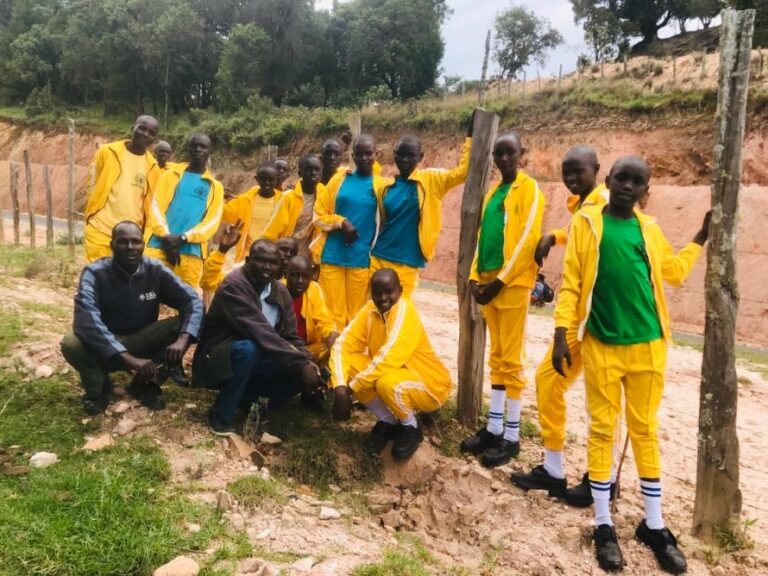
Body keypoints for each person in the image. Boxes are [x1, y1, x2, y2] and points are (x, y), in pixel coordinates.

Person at [552, 156, 709, 574]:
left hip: (649, 346)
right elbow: (571, 284)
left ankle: (653, 525)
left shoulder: (649, 229)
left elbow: (672, 272)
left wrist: (700, 237)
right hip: (602, 344)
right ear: (608, 180)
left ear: (646, 191)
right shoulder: (586, 224)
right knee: (603, 429)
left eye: (637, 182)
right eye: (621, 178)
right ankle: (603, 523)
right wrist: (560, 334)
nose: (627, 186)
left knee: (644, 431)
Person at [513, 146, 613, 504]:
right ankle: (554, 469)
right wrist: (554, 236)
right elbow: (579, 235)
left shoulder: (604, 204)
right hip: (579, 317)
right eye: (566, 172)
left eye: (578, 171)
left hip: (601, 318)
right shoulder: (584, 206)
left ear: (596, 169)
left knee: (603, 401)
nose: (571, 178)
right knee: (548, 380)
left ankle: (603, 478)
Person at [459, 132, 545, 468]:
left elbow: (527, 241)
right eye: (499, 154)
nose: (504, 159)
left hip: (512, 285)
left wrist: (501, 281)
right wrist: (475, 277)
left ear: (522, 154)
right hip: (488, 280)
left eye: (510, 153)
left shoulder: (530, 190)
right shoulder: (494, 192)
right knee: (496, 356)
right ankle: (494, 428)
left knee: (512, 359)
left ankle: (511, 435)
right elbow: (483, 236)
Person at [61, 221, 203, 414]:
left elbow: (193, 301)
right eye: (122, 242)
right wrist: (127, 358)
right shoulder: (95, 273)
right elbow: (86, 320)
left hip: (141, 340)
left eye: (136, 241)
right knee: (71, 343)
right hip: (105, 344)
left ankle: (145, 384)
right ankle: (99, 388)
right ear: (112, 245)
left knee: (186, 325)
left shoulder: (155, 270)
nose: (130, 247)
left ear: (143, 245)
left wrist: (183, 339)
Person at [192, 239, 325, 436]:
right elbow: (261, 332)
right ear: (248, 260)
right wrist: (300, 362)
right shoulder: (235, 285)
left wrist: (308, 362)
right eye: (261, 261)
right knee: (250, 349)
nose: (267, 267)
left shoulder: (281, 291)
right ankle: (220, 414)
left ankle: (248, 399)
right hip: (217, 358)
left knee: (304, 366)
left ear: (281, 266)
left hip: (257, 356)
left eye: (273, 263)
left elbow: (290, 336)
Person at [330, 269, 452, 460]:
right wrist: (339, 388)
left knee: (386, 383)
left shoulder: (405, 311)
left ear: (400, 290)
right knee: (351, 364)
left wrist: (350, 389)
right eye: (377, 293)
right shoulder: (369, 310)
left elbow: (387, 358)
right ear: (370, 292)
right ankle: (389, 422)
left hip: (430, 384)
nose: (383, 298)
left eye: (389, 291)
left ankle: (411, 427)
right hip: (393, 377)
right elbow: (342, 345)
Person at [370, 116, 473, 298]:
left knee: (401, 309)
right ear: (394, 154)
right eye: (400, 154)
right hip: (378, 257)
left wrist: (470, 138)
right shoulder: (385, 185)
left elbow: (462, 173)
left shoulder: (432, 181)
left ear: (421, 156)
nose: (404, 160)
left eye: (411, 155)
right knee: (373, 307)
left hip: (408, 263)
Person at [313, 135, 384, 328]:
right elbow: (318, 214)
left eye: (368, 153)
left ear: (376, 154)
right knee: (331, 315)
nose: (364, 158)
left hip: (361, 260)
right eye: (359, 154)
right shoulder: (340, 179)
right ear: (352, 156)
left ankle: (350, 348)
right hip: (332, 256)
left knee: (357, 318)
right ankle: (332, 347)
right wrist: (341, 221)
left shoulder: (381, 186)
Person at [145, 133, 224, 287]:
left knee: (185, 298)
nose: (198, 149)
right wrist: (167, 238)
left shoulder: (215, 186)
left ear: (210, 151)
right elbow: (155, 208)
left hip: (190, 253)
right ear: (188, 149)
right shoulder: (169, 176)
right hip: (159, 246)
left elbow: (211, 222)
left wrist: (182, 238)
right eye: (194, 146)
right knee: (147, 294)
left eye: (203, 147)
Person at [83, 115, 160, 262]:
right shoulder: (107, 152)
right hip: (100, 229)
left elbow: (149, 204)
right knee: (97, 273)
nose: (145, 134)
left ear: (155, 139)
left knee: (123, 275)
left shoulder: (153, 167)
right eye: (142, 128)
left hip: (130, 238)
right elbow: (91, 185)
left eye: (151, 133)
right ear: (133, 128)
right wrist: (92, 216)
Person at [262, 155, 323, 257]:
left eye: (317, 169)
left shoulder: (324, 196)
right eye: (308, 169)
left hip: (310, 258)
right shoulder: (288, 198)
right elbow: (272, 232)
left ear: (321, 172)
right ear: (300, 173)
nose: (313, 173)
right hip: (285, 256)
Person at [222, 162, 282, 264]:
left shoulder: (283, 201)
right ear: (257, 179)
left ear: (276, 179)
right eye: (263, 179)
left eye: (271, 179)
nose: (267, 183)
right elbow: (222, 212)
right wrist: (222, 198)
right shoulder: (245, 200)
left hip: (272, 257)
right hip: (247, 257)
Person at [285, 255, 339, 364]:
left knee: (332, 347)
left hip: (308, 348)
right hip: (283, 347)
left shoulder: (313, 288)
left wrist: (331, 334)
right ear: (286, 274)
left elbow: (324, 320)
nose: (300, 281)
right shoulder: (278, 289)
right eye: (295, 276)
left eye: (305, 277)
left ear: (311, 277)